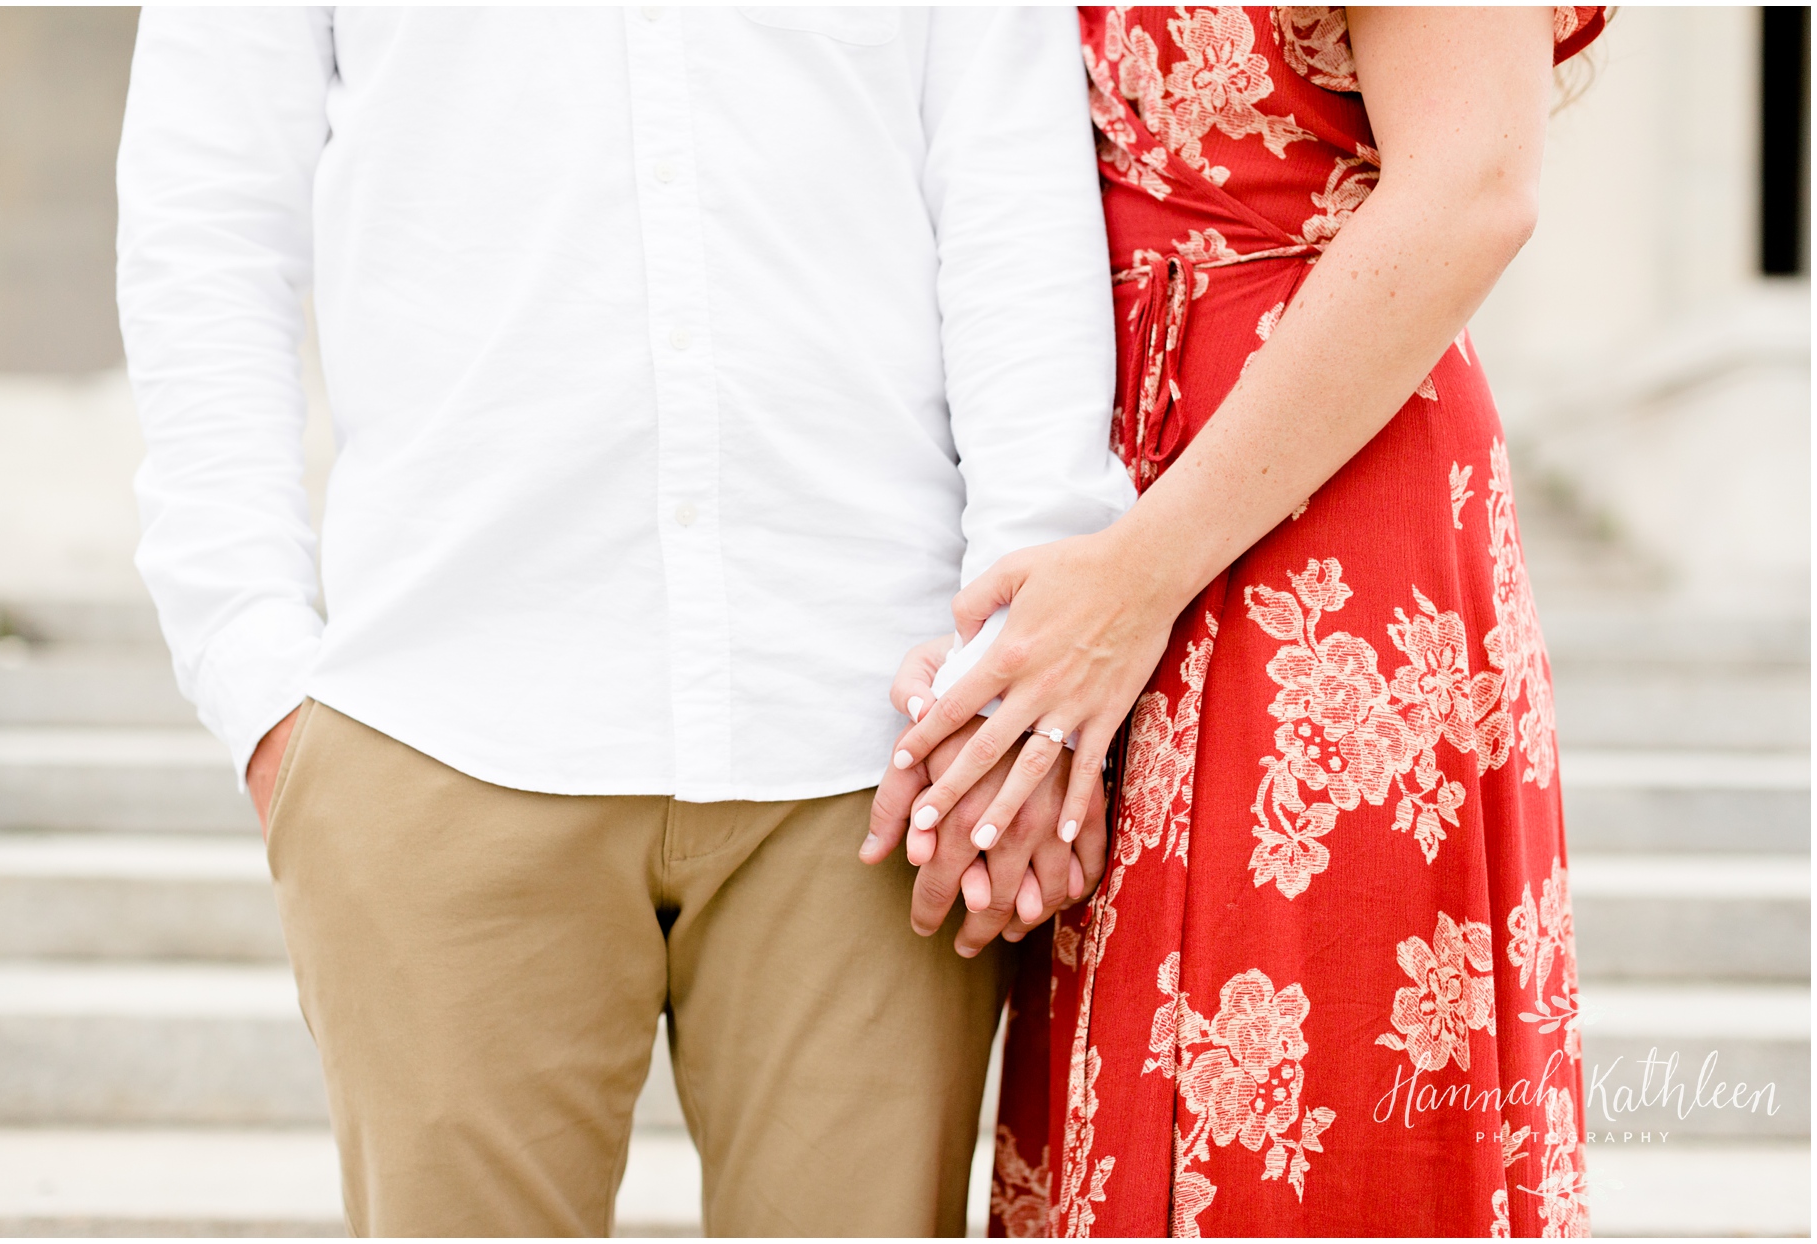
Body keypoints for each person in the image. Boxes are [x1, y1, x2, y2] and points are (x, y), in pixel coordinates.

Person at [115, 8, 1134, 1236]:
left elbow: (1009, 194)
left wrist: (1013, 663)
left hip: (868, 746)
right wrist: (258, 674)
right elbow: (206, 217)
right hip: (445, 721)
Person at [875, 7, 1605, 1236]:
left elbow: (1474, 188)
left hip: (1320, 516)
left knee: (1296, 1102)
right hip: (1108, 491)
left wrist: (1137, 575)